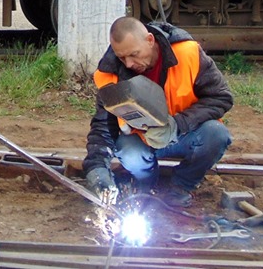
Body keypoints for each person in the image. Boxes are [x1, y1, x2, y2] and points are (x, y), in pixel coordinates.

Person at [83, 17, 234, 208]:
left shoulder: (187, 54)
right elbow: (103, 125)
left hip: (184, 134)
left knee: (216, 134)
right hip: (143, 140)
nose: (129, 64)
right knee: (128, 151)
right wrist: (96, 168)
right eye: (122, 57)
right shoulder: (110, 74)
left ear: (150, 40)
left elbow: (221, 97)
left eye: (134, 54)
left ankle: (180, 186)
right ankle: (145, 186)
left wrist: (178, 124)